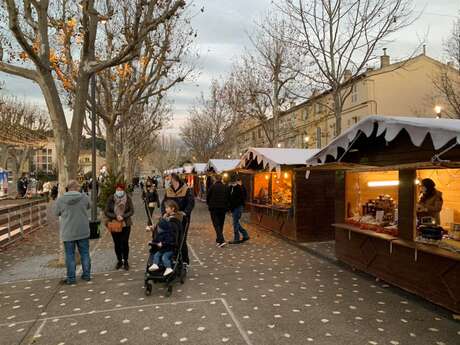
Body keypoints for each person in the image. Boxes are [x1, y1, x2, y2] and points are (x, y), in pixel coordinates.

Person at [53, 180, 91, 285]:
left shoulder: (61, 199)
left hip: (68, 231)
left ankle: (71, 278)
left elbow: (56, 212)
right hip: (83, 230)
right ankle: (87, 275)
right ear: (77, 188)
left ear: (68, 188)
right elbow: (89, 206)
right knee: (85, 253)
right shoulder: (84, 197)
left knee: (69, 255)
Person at [161, 173, 194, 265]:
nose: (167, 179)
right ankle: (174, 258)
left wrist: (185, 212)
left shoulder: (186, 189)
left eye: (169, 178)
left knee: (182, 239)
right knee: (172, 239)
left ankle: (185, 260)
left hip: (182, 218)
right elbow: (164, 203)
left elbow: (191, 203)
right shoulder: (168, 190)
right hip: (171, 218)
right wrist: (164, 213)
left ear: (174, 179)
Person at [105, 183, 135, 270]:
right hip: (114, 223)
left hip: (126, 224)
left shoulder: (128, 198)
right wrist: (115, 216)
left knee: (125, 242)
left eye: (120, 190)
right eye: (117, 190)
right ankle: (119, 261)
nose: (119, 191)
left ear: (123, 190)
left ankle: (125, 261)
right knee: (117, 243)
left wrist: (123, 216)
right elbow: (106, 211)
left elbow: (132, 211)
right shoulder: (111, 198)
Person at [148, 200, 182, 276]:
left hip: (169, 246)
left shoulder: (174, 220)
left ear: (172, 208)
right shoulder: (166, 217)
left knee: (164, 257)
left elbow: (170, 234)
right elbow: (160, 228)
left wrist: (162, 220)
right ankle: (155, 265)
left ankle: (168, 268)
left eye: (167, 208)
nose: (165, 209)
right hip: (162, 244)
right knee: (156, 254)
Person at [207, 175, 228, 247]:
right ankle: (218, 240)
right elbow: (228, 197)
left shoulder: (212, 187)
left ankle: (221, 240)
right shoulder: (225, 187)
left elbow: (208, 196)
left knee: (216, 224)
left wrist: (209, 204)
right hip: (223, 208)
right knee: (221, 224)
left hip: (214, 208)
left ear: (215, 179)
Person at [228, 177, 250, 244]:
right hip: (235, 208)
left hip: (237, 208)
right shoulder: (232, 188)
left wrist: (233, 205)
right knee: (236, 222)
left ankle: (236, 239)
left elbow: (239, 199)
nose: (229, 184)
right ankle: (245, 235)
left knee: (235, 223)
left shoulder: (238, 188)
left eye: (230, 183)